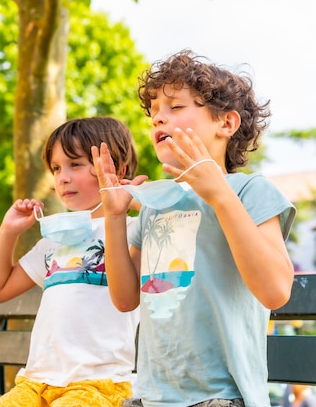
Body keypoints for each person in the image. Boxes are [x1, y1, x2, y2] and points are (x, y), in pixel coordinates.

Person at [92, 49, 297, 407]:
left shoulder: (250, 190)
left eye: (175, 107)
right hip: (151, 397)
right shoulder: (156, 202)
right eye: (154, 113)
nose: (158, 119)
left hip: (222, 398)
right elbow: (125, 299)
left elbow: (276, 290)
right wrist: (113, 217)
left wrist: (218, 193)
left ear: (226, 124)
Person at [0, 117, 141, 407]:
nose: (62, 177)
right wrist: (7, 232)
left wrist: (129, 198)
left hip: (98, 384)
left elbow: (167, 216)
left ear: (116, 170)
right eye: (56, 168)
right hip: (37, 383)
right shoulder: (54, 240)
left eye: (75, 164)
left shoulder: (134, 231)